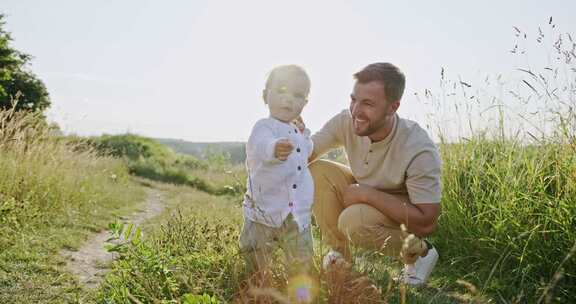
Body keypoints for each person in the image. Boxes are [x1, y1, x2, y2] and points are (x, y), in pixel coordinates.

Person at [310, 62, 442, 286]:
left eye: (368, 103)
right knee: (317, 170)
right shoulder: (346, 121)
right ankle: (340, 258)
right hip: (359, 194)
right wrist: (287, 137)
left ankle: (420, 253)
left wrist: (366, 194)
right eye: (354, 99)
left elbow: (428, 220)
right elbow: (306, 151)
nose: (356, 111)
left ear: (393, 107)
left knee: (353, 222)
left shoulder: (417, 146)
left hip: (400, 209)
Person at [239, 65, 315, 285]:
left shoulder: (297, 130)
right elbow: (260, 146)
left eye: (297, 95)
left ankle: (300, 289)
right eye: (281, 90)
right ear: (265, 96)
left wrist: (304, 134)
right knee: (255, 258)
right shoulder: (263, 127)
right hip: (264, 210)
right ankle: (254, 284)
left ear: (305, 103)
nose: (288, 99)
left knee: (301, 259)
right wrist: (274, 148)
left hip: (296, 214)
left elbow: (307, 150)